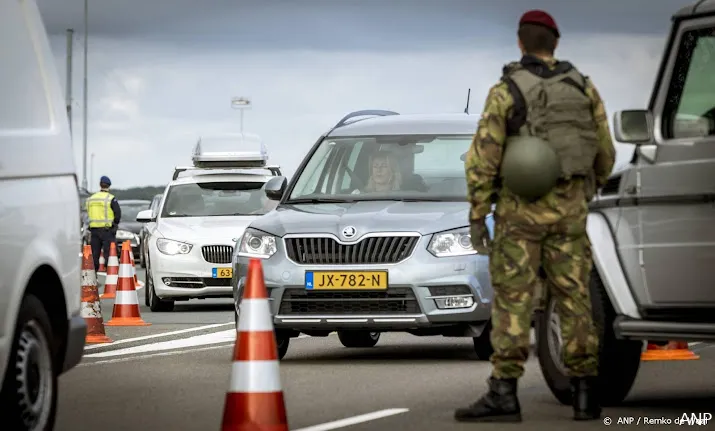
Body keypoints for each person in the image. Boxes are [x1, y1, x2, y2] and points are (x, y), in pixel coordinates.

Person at [456, 10, 616, 423]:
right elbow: (605, 153)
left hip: (520, 214)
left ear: (520, 44)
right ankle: (584, 393)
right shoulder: (583, 88)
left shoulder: (506, 90)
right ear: (556, 44)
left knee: (513, 299)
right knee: (575, 298)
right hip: (570, 213)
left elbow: (483, 160)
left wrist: (478, 214)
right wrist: (581, 192)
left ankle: (504, 393)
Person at [86, 176, 122, 271]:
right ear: (109, 186)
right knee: (109, 254)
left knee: (94, 254)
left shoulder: (91, 199)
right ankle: (110, 275)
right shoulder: (110, 198)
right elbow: (117, 213)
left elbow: (88, 213)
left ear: (100, 185)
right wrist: (115, 224)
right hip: (107, 231)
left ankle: (94, 277)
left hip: (94, 231)